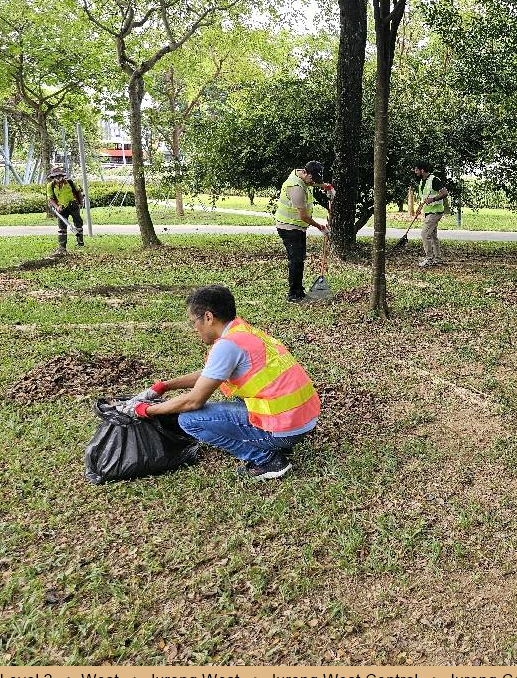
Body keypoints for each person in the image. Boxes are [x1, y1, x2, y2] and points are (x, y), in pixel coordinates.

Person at [125, 285, 320, 481]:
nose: (194, 328)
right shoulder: (242, 332)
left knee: (189, 420)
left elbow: (193, 402)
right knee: (233, 400)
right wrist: (164, 386)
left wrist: (145, 410)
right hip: (302, 420)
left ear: (208, 317)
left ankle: (267, 459)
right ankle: (276, 441)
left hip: (286, 430)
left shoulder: (227, 346)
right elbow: (210, 374)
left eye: (194, 322)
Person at [275, 161, 332, 303]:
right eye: (312, 179)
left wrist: (326, 186)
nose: (313, 183)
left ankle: (299, 291)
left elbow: (313, 182)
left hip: (297, 227)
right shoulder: (296, 187)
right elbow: (304, 216)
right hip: (288, 227)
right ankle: (294, 294)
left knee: (300, 259)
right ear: (306, 173)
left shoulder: (302, 174)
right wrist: (321, 227)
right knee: (296, 260)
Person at [413, 160, 450, 268]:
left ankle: (429, 258)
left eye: (416, 170)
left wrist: (433, 199)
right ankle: (437, 259)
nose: (415, 172)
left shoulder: (434, 180)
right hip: (429, 211)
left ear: (422, 170)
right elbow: (424, 198)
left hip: (435, 211)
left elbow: (445, 193)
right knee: (433, 236)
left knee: (425, 234)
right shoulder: (422, 182)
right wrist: (419, 208)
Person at [46, 164, 84, 256]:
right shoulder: (50, 186)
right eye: (55, 176)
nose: (58, 178)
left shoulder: (70, 183)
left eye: (59, 176)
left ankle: (80, 242)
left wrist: (80, 203)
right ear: (53, 177)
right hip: (61, 208)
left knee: (78, 223)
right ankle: (62, 246)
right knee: (62, 227)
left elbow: (78, 191)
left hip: (73, 205)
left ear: (63, 176)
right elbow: (50, 198)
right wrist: (56, 206)